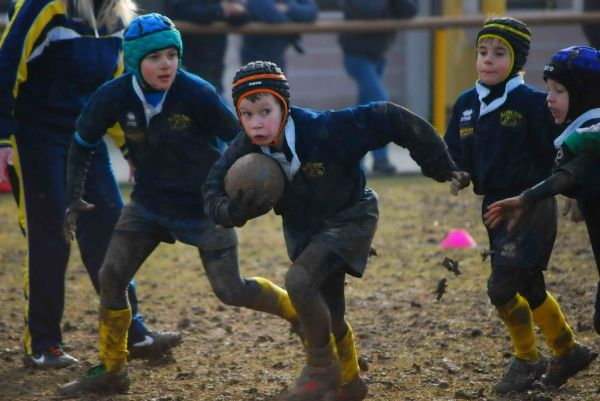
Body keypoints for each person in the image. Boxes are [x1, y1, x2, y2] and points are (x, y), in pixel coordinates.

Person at [58, 14, 301, 396]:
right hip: (148, 206)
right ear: (136, 61)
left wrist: (268, 182)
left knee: (231, 290)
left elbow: (242, 140)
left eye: (172, 54)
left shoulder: (197, 92)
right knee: (111, 277)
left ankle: (297, 312)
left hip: (204, 206)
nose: (166, 64)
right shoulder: (114, 95)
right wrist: (73, 194)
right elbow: (82, 142)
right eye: (155, 57)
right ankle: (112, 369)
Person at [203, 60, 456, 401]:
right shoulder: (242, 149)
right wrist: (232, 211)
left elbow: (388, 116)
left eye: (265, 110)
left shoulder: (324, 129)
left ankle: (321, 371)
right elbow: (211, 191)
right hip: (304, 231)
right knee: (327, 315)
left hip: (351, 216)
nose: (256, 122)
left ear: (284, 106)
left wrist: (440, 164)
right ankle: (350, 385)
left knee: (299, 282)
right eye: (246, 114)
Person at [0, 0, 180, 369]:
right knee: (51, 234)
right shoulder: (45, 7)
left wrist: (132, 147)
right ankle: (44, 343)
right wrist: (2, 138)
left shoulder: (116, 19)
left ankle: (133, 331)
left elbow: (115, 93)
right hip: (35, 137)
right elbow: (6, 65)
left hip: (85, 137)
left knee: (111, 229)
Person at [444, 18, 595, 394]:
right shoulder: (466, 104)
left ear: (517, 60)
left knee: (501, 286)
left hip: (531, 203)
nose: (488, 61)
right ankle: (567, 348)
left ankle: (527, 358)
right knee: (528, 285)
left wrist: (575, 192)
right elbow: (456, 152)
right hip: (494, 206)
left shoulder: (532, 102)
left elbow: (561, 147)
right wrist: (458, 172)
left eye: (499, 53)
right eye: (482, 52)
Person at [484, 45, 600, 339]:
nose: (549, 97)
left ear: (586, 94)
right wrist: (577, 194)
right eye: (549, 88)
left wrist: (526, 198)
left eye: (559, 90)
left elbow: (574, 170)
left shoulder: (588, 136)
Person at [338, 0, 418, 176]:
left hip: (378, 55)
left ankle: (356, 160)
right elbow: (368, 10)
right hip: (356, 54)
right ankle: (380, 159)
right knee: (379, 98)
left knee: (363, 112)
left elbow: (410, 9)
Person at [166, 0, 248, 95]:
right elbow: (186, 12)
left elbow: (240, 18)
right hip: (189, 62)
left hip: (214, 65)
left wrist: (238, 12)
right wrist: (221, 9)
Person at [241, 0, 318, 72]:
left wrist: (288, 8)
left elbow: (312, 12)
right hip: (257, 55)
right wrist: (297, 19)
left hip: (278, 56)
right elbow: (271, 16)